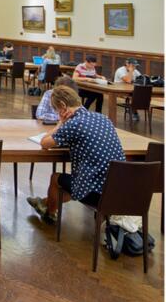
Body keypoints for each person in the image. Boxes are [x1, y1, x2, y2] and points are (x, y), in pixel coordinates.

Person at [27, 85, 125, 224]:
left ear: (62, 106)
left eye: (56, 110)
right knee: (76, 181)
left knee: (56, 178)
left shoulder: (73, 124)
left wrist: (60, 123)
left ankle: (49, 213)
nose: (57, 113)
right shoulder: (103, 118)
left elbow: (44, 142)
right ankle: (44, 203)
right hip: (121, 188)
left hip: (97, 194)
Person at [114, 57, 142, 121]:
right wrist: (130, 71)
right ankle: (133, 112)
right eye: (133, 65)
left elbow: (141, 78)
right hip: (119, 91)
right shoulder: (120, 70)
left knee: (139, 94)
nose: (134, 67)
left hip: (131, 91)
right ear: (127, 64)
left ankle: (133, 110)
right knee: (134, 96)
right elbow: (128, 80)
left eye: (135, 66)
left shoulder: (135, 71)